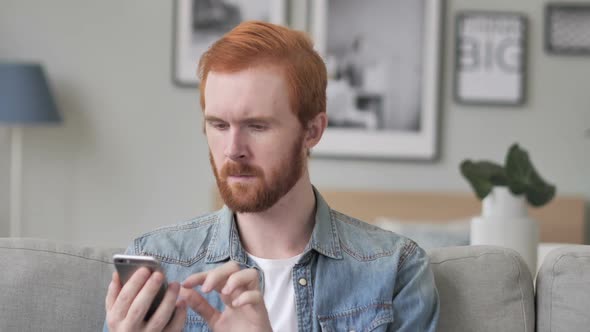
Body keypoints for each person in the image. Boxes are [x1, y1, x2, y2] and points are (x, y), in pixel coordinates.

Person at [104, 21, 439, 332]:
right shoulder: (160, 263)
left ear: (312, 130)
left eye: (257, 126)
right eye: (219, 125)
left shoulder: (395, 270)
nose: (233, 149)